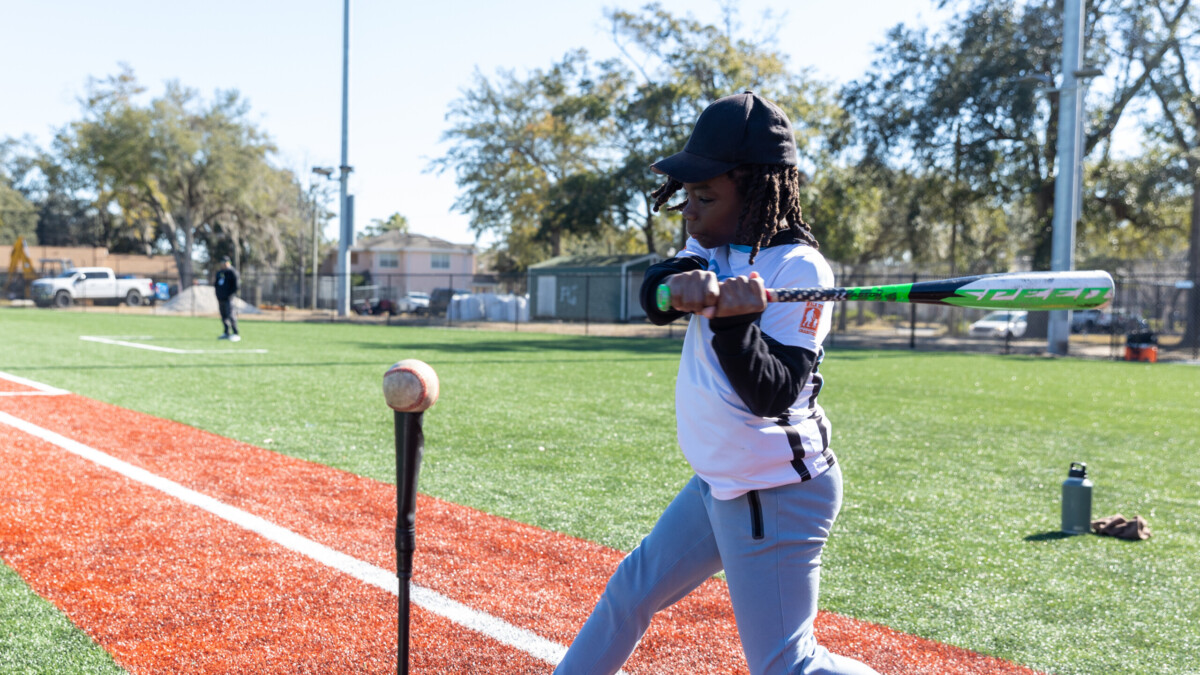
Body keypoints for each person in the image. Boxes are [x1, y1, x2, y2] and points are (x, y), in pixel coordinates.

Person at [555, 92, 878, 675]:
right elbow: (656, 296)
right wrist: (675, 283)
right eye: (688, 197)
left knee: (786, 665)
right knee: (631, 593)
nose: (689, 210)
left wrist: (736, 325)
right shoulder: (710, 245)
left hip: (773, 489)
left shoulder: (799, 270)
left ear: (755, 192)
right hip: (719, 480)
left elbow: (772, 393)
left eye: (706, 196)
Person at [214, 256, 241, 342]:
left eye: (224, 262)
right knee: (224, 316)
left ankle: (235, 333)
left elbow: (236, 286)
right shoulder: (220, 272)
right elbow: (216, 284)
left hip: (229, 298)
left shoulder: (232, 272)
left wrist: (230, 294)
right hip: (220, 298)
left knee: (231, 315)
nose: (223, 264)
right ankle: (226, 332)